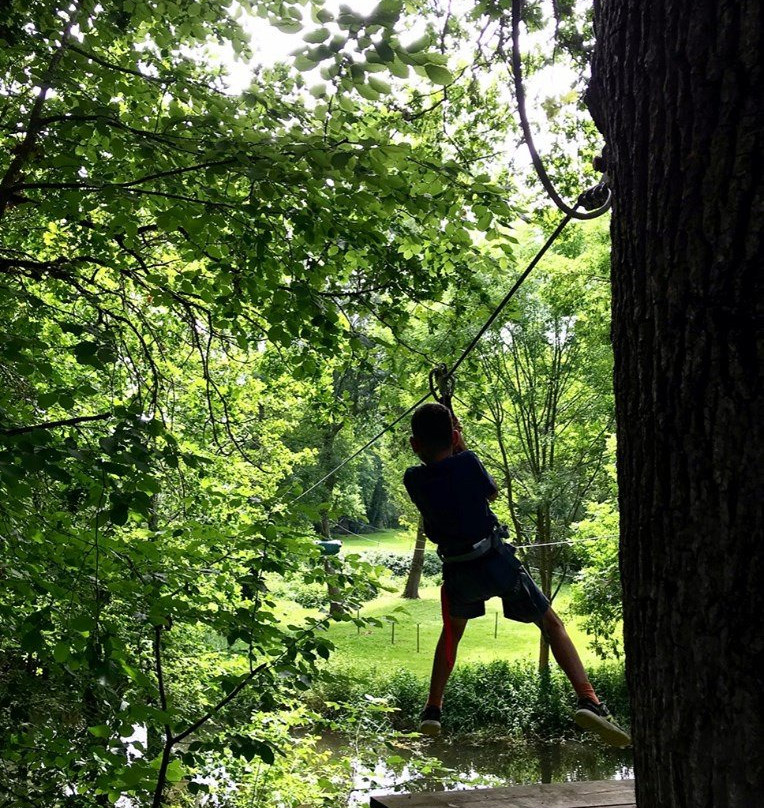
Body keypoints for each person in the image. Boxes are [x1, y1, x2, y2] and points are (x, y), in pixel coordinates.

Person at [402, 402, 630, 747]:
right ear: (454, 435)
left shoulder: (413, 479)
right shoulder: (468, 462)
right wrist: (461, 446)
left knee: (451, 636)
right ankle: (589, 700)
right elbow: (490, 491)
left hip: (458, 569)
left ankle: (432, 710)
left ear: (414, 445)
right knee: (552, 625)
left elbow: (440, 472)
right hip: (495, 561)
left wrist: (450, 442)